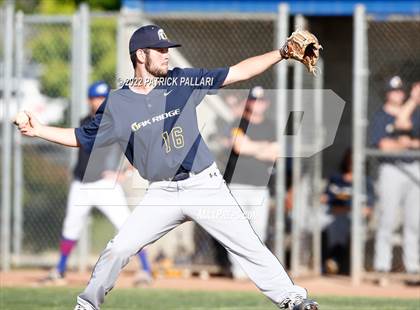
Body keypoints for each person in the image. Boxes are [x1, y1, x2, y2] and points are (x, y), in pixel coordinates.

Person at [17, 25, 319, 310]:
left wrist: (281, 52)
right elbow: (81, 137)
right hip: (162, 193)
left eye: (167, 49)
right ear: (140, 55)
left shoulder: (182, 81)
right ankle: (87, 304)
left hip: (204, 185)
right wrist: (39, 129)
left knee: (249, 245)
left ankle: (293, 299)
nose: (166, 54)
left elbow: (237, 72)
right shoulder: (118, 103)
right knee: (119, 248)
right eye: (159, 49)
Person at [40, 81, 152, 286]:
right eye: (95, 98)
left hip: (105, 185)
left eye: (102, 97)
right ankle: (60, 269)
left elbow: (140, 150)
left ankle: (145, 269)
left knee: (127, 226)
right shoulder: (85, 120)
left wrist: (124, 173)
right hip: (80, 184)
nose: (99, 101)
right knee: (71, 227)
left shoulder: (119, 121)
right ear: (89, 100)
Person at [224, 86, 278, 279]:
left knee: (259, 231)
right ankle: (238, 272)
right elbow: (239, 146)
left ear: (267, 104)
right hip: (236, 185)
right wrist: (264, 147)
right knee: (236, 231)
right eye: (254, 100)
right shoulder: (238, 122)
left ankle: (256, 273)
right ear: (247, 102)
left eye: (261, 101)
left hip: (260, 187)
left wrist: (251, 146)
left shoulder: (271, 126)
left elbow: (276, 152)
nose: (257, 104)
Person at [370, 76, 420, 285]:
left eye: (400, 91)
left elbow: (411, 136)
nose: (397, 94)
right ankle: (382, 268)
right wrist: (407, 143)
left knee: (414, 222)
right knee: (387, 221)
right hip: (390, 169)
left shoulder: (415, 114)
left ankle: (413, 269)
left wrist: (403, 143)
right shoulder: (380, 116)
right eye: (393, 91)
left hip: (414, 168)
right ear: (387, 93)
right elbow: (383, 146)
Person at [321, 148, 374, 275]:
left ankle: (335, 260)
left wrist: (349, 208)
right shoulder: (336, 177)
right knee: (337, 222)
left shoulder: (365, 181)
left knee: (347, 222)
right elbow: (324, 199)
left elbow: (368, 208)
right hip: (335, 214)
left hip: (355, 217)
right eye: (350, 159)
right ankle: (333, 261)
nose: (352, 162)